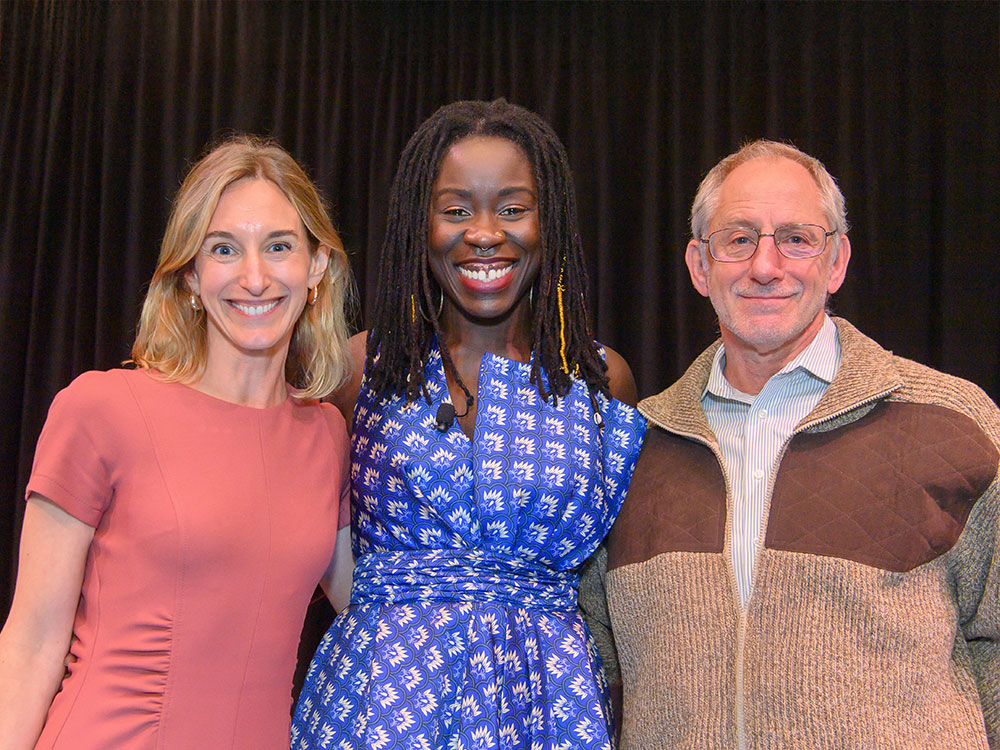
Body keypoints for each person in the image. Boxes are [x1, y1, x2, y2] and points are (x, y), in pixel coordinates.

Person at [580, 139, 1000, 749]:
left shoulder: (952, 421)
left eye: (797, 239)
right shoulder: (635, 448)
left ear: (836, 262)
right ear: (700, 266)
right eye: (739, 239)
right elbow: (595, 665)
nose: (766, 266)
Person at [291, 99, 646, 750]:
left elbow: (617, 589)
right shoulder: (352, 370)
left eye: (513, 208)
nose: (484, 232)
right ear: (418, 226)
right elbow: (284, 532)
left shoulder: (600, 381)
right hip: (381, 705)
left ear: (551, 222)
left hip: (547, 704)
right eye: (456, 209)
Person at [0, 136, 357, 749]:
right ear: (191, 272)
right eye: (224, 249)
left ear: (316, 267)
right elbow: (30, 642)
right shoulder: (102, 409)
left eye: (279, 247)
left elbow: (376, 612)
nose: (254, 277)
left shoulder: (326, 436)